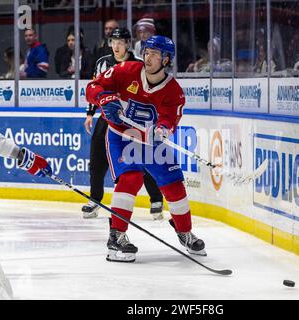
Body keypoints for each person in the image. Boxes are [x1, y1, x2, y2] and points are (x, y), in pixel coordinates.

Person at [86, 35, 206, 263]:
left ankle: (185, 232)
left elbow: (170, 119)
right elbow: (93, 86)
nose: (148, 57)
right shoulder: (125, 71)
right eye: (147, 52)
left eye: (155, 54)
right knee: (130, 179)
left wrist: (162, 129)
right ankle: (116, 237)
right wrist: (104, 97)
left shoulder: (174, 92)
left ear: (167, 60)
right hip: (122, 136)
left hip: (151, 142)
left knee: (174, 186)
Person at [83, 27, 164, 220]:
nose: (116, 46)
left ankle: (156, 199)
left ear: (128, 44)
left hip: (134, 121)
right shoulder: (103, 63)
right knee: (97, 159)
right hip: (107, 118)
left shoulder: (138, 64)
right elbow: (95, 87)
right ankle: (95, 199)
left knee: (142, 158)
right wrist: (89, 113)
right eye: (113, 42)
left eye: (120, 42)